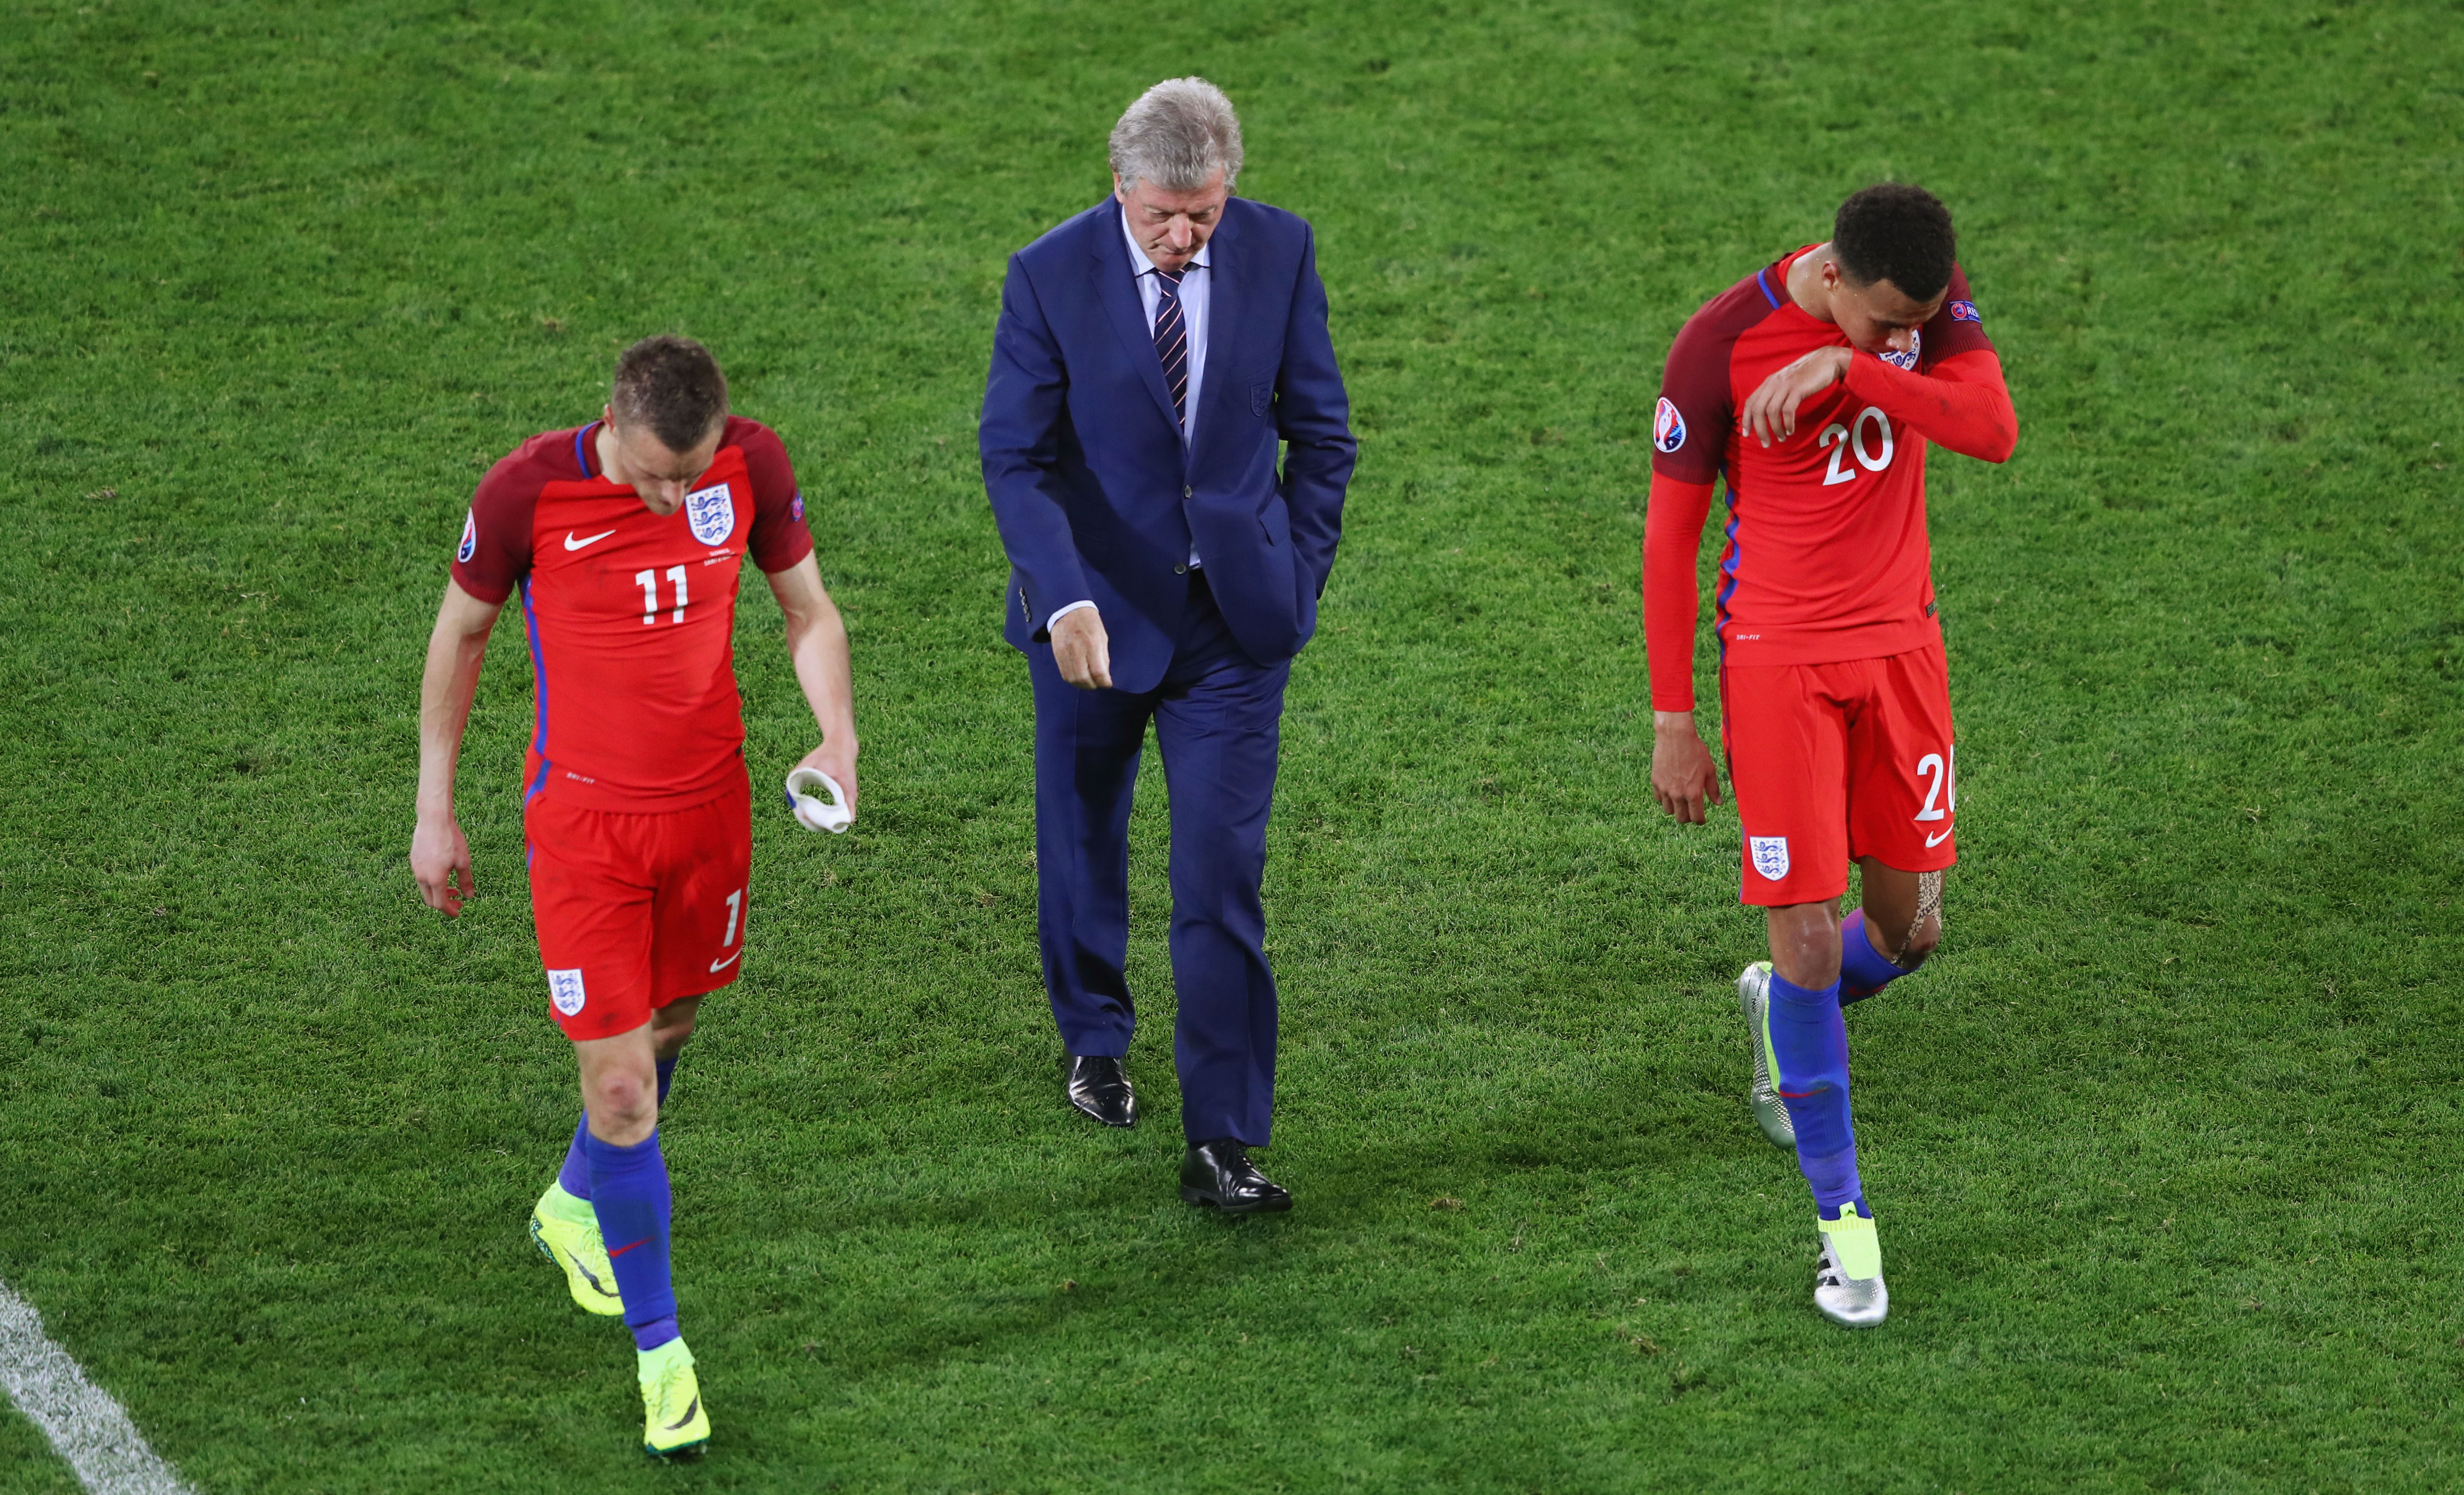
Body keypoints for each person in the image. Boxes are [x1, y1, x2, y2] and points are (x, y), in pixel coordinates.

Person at [409, 335, 858, 1453]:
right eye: (657, 475)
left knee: (670, 1032)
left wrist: (838, 738)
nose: (674, 496)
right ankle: (666, 1363)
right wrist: (434, 809)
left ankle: (573, 1201)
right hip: (585, 832)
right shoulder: (526, 491)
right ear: (610, 422)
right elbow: (462, 634)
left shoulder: (749, 463)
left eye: (689, 474)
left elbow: (809, 612)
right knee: (620, 1091)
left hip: (709, 815)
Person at [1643, 184, 2017, 1327]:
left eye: (1919, 321)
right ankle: (1844, 1238)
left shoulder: (1919, 307)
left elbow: (1990, 432)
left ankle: (1781, 1014)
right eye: (1883, 320)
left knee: (1908, 932)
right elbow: (1669, 537)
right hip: (1778, 665)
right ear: (1830, 276)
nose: (1907, 335)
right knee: (1807, 938)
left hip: (1903, 653)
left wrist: (1856, 369)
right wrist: (1672, 720)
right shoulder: (1719, 343)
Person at [979, 78, 1355, 1212]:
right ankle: (1094, 1036)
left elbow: (1322, 435)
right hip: (1090, 621)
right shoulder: (1047, 274)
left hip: (1233, 627)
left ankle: (1222, 1140)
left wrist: (1294, 576)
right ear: (1119, 186)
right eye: (1161, 216)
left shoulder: (1279, 251)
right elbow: (1015, 458)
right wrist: (1061, 598)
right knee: (1083, 835)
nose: (1184, 238)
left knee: (1220, 878)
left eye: (1203, 214)